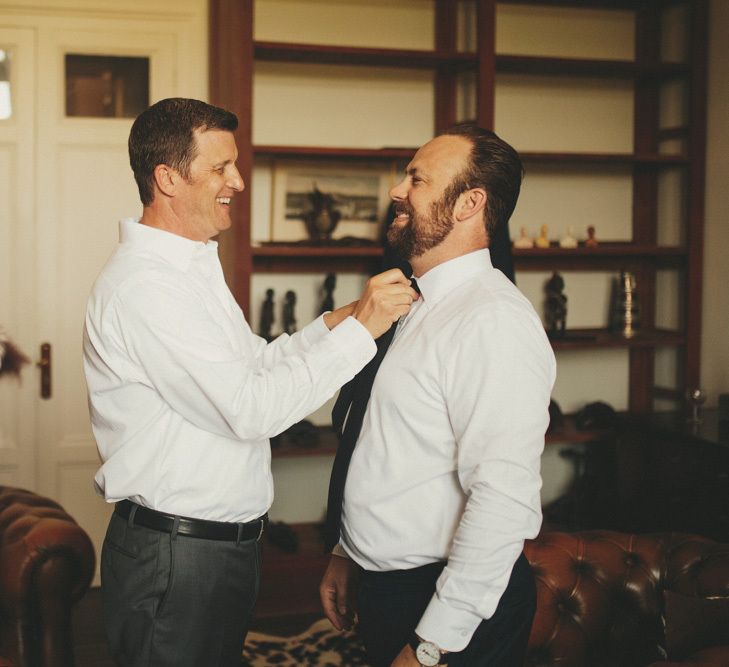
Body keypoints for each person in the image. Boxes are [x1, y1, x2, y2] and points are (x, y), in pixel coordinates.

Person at [82, 97, 417, 667]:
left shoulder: (187, 268)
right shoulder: (148, 288)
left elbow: (254, 365)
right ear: (166, 178)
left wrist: (335, 322)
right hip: (176, 556)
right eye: (220, 168)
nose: (237, 181)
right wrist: (363, 332)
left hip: (209, 550)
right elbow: (251, 408)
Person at [320, 124, 556, 667]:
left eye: (417, 179)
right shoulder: (414, 301)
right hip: (385, 587)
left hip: (447, 602)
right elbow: (387, 445)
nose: (396, 191)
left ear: (470, 203)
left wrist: (433, 644)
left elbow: (502, 500)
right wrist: (346, 552)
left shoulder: (492, 322)